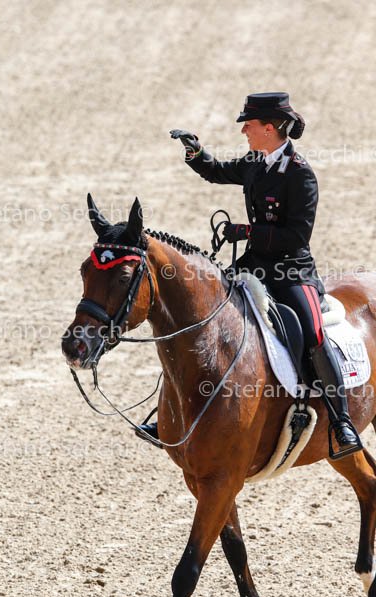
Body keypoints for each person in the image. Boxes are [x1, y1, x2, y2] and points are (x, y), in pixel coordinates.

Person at [138, 92, 361, 458]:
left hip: (291, 272)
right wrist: (195, 152)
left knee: (312, 332)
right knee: (200, 318)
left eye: (249, 125)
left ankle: (341, 422)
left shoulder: (300, 174)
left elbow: (296, 235)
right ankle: (167, 416)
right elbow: (217, 172)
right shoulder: (256, 163)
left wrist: (246, 232)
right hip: (253, 265)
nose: (244, 130)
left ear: (269, 128)